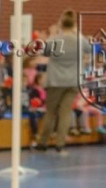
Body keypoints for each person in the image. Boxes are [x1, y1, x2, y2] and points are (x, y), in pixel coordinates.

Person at [33, 10, 83, 154]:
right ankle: (60, 144)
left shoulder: (55, 39)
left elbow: (44, 52)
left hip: (56, 81)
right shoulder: (78, 39)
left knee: (51, 113)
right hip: (72, 81)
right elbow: (87, 48)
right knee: (65, 113)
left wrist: (54, 34)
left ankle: (42, 143)